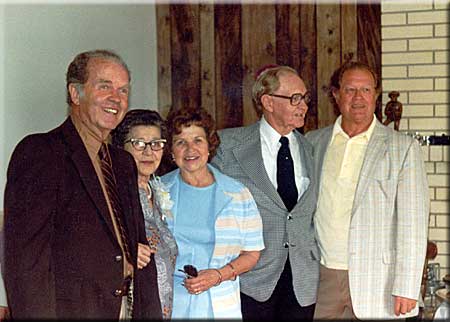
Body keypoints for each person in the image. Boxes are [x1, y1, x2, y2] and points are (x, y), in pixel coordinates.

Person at [3, 50, 161, 319]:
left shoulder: (123, 163)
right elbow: (25, 264)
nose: (116, 98)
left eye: (123, 90)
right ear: (75, 94)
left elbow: (135, 248)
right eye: (104, 86)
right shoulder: (41, 153)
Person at [306, 61, 429, 320]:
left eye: (366, 90)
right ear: (336, 95)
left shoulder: (402, 148)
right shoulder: (313, 142)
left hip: (378, 281)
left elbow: (414, 223)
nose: (358, 98)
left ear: (375, 95)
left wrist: (407, 287)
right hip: (322, 276)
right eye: (350, 90)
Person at [211, 65, 319, 321]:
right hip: (250, 278)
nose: (303, 105)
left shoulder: (310, 147)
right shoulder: (227, 146)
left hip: (302, 281)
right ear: (268, 102)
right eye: (295, 98)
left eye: (305, 98)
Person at [161, 107, 265, 319]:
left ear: (210, 146)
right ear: (171, 151)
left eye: (198, 140)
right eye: (181, 142)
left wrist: (218, 275)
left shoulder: (238, 194)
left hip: (221, 303)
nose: (190, 149)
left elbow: (252, 253)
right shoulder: (158, 190)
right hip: (171, 304)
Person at [111, 109, 178, 319]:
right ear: (121, 147)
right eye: (139, 143)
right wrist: (125, 248)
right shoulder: (114, 192)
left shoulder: (157, 188)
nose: (149, 152)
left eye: (156, 143)